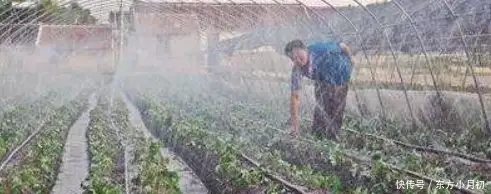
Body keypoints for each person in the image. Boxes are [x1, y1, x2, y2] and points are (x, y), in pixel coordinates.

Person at [285, 39, 354, 140]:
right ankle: (317, 135)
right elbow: (295, 96)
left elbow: (342, 45)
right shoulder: (297, 69)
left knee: (335, 107)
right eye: (293, 59)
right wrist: (295, 126)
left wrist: (351, 59)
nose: (297, 61)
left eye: (299, 56)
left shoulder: (321, 50)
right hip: (322, 78)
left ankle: (333, 138)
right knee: (320, 106)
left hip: (340, 74)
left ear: (305, 49)